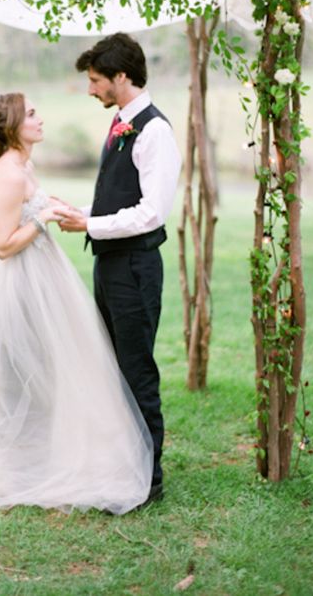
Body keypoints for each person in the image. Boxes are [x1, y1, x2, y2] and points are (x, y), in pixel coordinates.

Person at [0, 92, 153, 515]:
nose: (39, 118)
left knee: (50, 372)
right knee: (26, 374)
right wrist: (45, 218)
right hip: (19, 284)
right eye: (31, 114)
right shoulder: (11, 175)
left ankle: (45, 455)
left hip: (41, 277)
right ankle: (7, 466)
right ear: (13, 126)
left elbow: (25, 214)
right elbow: (2, 246)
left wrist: (54, 207)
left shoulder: (24, 166)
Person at [57, 33, 182, 505]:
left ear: (121, 77)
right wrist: (86, 214)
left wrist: (91, 222)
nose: (91, 89)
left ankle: (148, 482)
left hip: (134, 269)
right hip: (110, 266)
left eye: (95, 80)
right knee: (112, 369)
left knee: (136, 371)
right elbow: (120, 195)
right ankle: (121, 465)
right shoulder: (120, 121)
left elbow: (152, 212)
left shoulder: (154, 131)